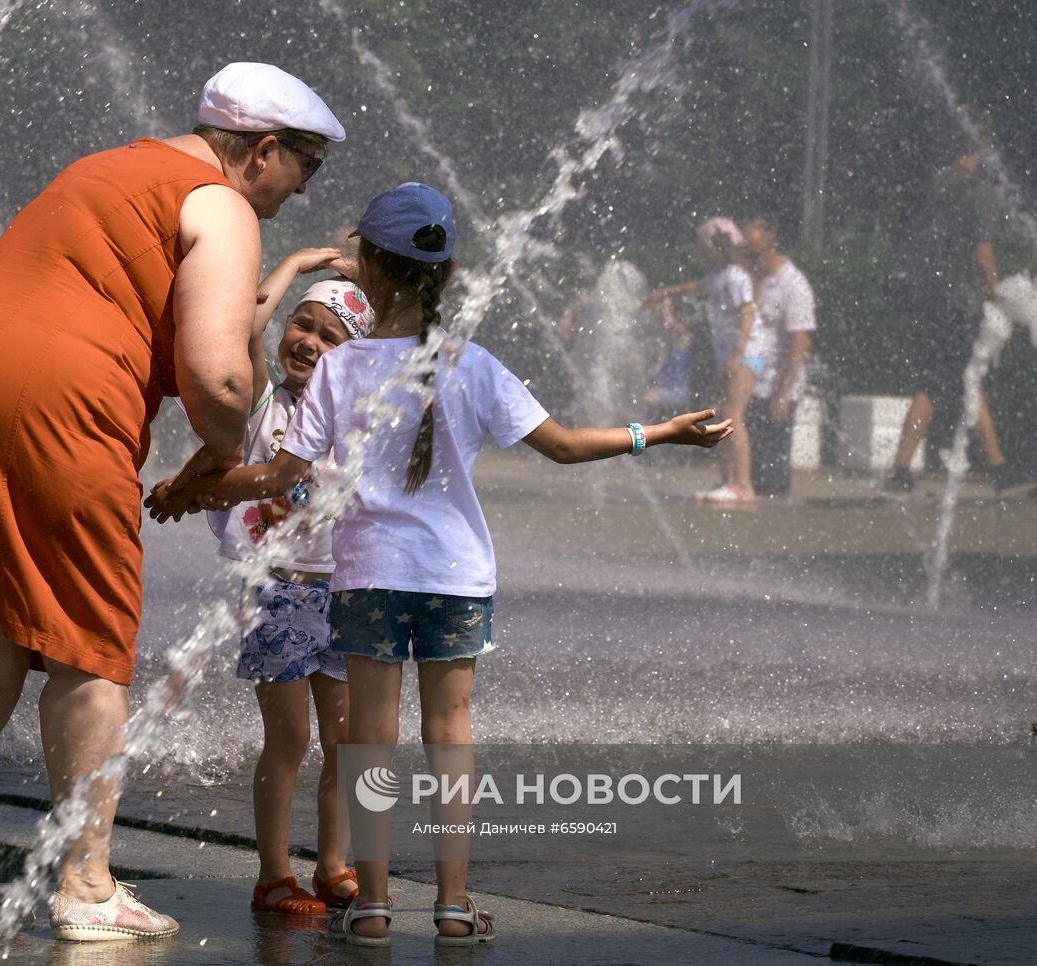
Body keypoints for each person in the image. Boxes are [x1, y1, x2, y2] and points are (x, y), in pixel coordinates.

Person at [146, 183, 731, 946]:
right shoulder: (475, 364)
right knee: (450, 736)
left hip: (367, 579)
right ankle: (454, 905)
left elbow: (281, 477)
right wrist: (661, 433)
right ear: (446, 275)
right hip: (456, 580)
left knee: (370, 745)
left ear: (369, 269)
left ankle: (374, 907)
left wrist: (193, 491)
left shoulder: (341, 369)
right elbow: (562, 446)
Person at [0, 62, 345, 941]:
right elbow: (221, 377)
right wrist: (219, 457)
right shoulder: (219, 201)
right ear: (262, 149)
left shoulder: (106, 166)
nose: (300, 191)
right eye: (305, 167)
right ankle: (85, 888)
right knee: (89, 647)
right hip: (53, 391)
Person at [210, 251, 373, 918]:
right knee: (290, 739)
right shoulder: (263, 399)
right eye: (302, 325)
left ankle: (332, 862)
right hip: (278, 589)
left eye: (328, 335)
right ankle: (274, 874)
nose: (307, 340)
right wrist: (301, 261)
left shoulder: (359, 421)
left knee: (347, 742)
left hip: (347, 593)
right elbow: (245, 319)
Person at [882, 141, 1009, 493]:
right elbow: (983, 246)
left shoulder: (938, 183)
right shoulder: (979, 191)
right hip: (961, 301)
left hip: (933, 297)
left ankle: (902, 470)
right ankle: (997, 470)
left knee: (945, 380)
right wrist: (995, 292)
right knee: (954, 381)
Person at [646, 217, 763, 507]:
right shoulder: (718, 276)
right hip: (733, 355)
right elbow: (694, 287)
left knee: (734, 417)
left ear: (716, 247)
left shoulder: (736, 276)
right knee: (725, 416)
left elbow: (747, 314)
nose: (699, 254)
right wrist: (664, 294)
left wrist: (737, 355)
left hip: (748, 354)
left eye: (702, 248)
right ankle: (728, 482)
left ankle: (744, 487)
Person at [742, 218, 816, 498]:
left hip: (779, 383)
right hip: (753, 379)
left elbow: (800, 341)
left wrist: (783, 393)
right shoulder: (753, 279)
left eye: (754, 252)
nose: (749, 259)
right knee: (752, 460)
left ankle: (776, 518)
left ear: (772, 244)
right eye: (746, 252)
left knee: (773, 463)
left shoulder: (793, 284)